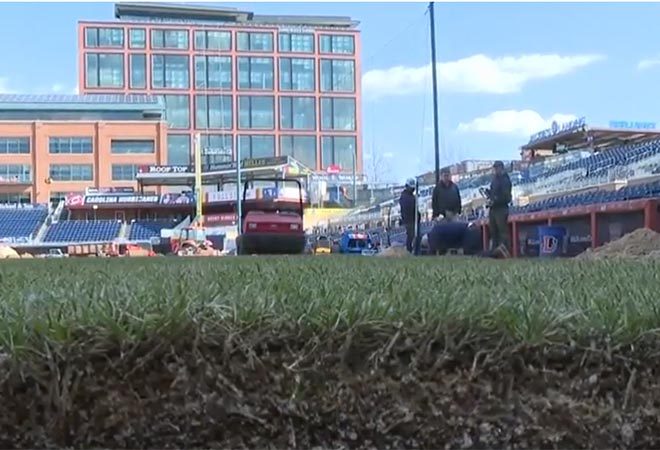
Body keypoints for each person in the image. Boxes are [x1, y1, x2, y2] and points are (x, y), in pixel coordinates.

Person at [487, 161, 512, 251]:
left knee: (502, 231)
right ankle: (495, 250)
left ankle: (505, 250)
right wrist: (489, 194)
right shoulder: (494, 179)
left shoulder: (505, 180)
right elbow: (493, 192)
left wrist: (496, 199)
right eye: (495, 168)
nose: (495, 170)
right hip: (493, 209)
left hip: (501, 209)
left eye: (497, 168)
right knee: (493, 231)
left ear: (501, 168)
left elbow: (506, 196)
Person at [399, 178, 420, 254]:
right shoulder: (406, 197)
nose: (413, 189)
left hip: (412, 221)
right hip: (409, 221)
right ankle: (409, 251)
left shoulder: (410, 197)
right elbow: (409, 209)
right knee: (410, 237)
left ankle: (412, 251)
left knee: (413, 237)